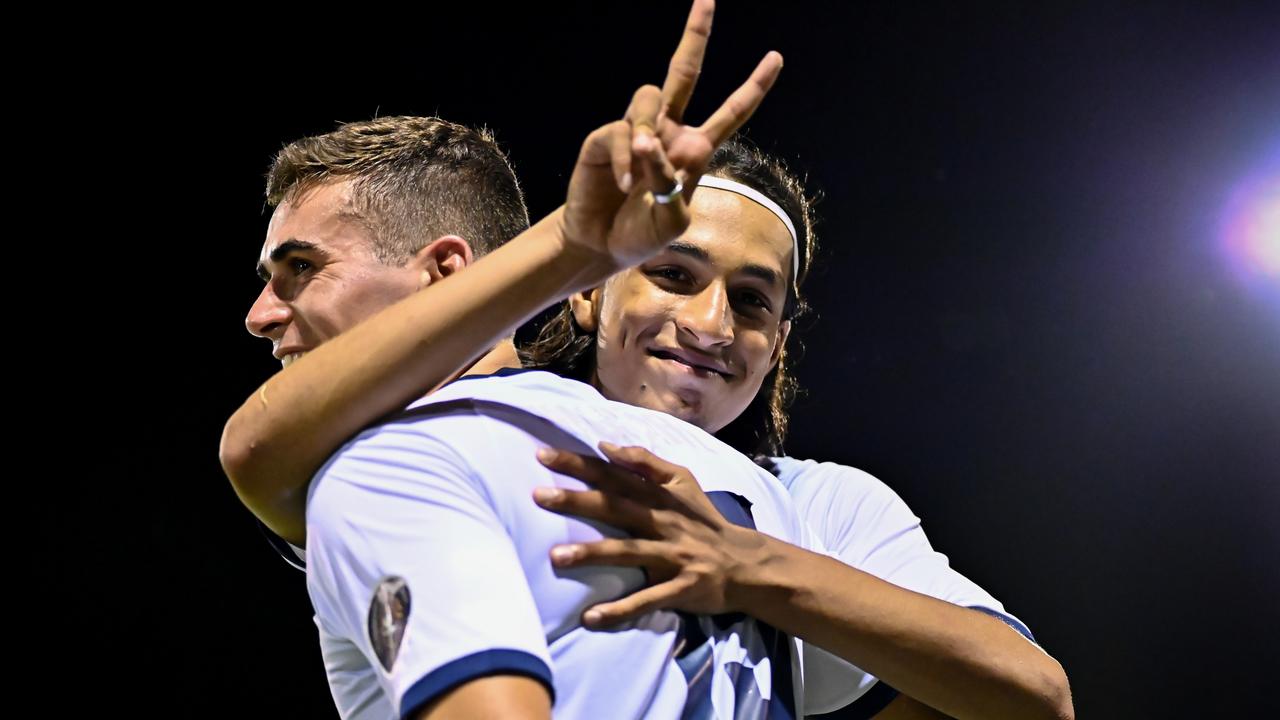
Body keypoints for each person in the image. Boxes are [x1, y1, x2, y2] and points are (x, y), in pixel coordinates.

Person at [222, 2, 1073, 718]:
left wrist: (749, 567)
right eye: (670, 273)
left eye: (751, 300)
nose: (708, 325)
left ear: (780, 337)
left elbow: (1028, 694)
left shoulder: (802, 502)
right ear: (591, 293)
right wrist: (571, 242)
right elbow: (257, 449)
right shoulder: (436, 445)